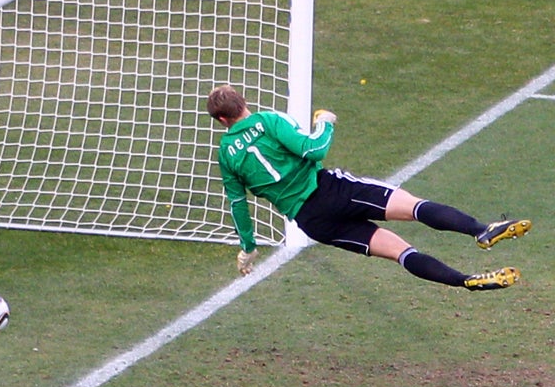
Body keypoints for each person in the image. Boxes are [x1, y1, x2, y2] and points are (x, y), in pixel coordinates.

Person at [206, 84, 531, 290]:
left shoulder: (226, 155)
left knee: (401, 252)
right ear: (242, 103)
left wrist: (248, 249)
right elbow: (314, 149)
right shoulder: (269, 121)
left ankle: (466, 281)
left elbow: (239, 206)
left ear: (222, 121)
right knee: (415, 207)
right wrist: (325, 122)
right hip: (330, 189)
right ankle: (480, 230)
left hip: (311, 221)